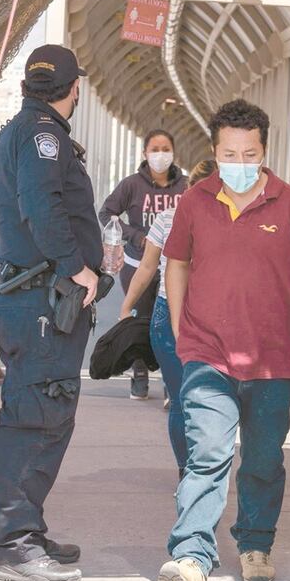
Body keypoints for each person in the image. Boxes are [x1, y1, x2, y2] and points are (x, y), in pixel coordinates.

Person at [155, 101, 290, 581]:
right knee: (208, 452)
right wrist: (179, 327)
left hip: (272, 359)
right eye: (228, 153)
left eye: (249, 153)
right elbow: (176, 263)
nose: (238, 161)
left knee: (263, 457)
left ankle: (256, 544)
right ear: (214, 153)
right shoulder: (196, 200)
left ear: (264, 152)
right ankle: (192, 557)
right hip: (208, 354)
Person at [0, 44, 102, 581]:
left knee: (44, 412)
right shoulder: (44, 136)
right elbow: (41, 205)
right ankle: (15, 544)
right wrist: (78, 267)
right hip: (39, 301)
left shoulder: (22, 129)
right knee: (34, 415)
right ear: (73, 87)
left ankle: (26, 528)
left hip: (31, 298)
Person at [119, 159, 216, 474]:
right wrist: (127, 305)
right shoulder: (168, 219)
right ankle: (188, 471)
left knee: (207, 401)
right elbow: (147, 268)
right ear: (189, 190)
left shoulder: (231, 224)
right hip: (168, 315)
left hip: (215, 319)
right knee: (181, 398)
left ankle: (201, 467)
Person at [99, 130, 188, 399]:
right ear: (145, 153)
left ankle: (172, 379)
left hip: (175, 265)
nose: (160, 154)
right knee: (143, 317)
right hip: (138, 263)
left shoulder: (185, 185)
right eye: (155, 149)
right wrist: (135, 236)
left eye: (165, 148)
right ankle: (139, 371)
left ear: (173, 152)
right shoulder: (132, 185)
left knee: (174, 318)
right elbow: (106, 213)